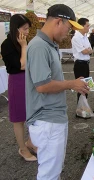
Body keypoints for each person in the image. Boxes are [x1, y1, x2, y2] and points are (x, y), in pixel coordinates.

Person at [26, 4, 89, 179]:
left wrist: (72, 83)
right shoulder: (39, 46)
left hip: (53, 118)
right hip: (47, 119)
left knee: (54, 169)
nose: (68, 34)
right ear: (58, 22)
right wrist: (71, 84)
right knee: (49, 174)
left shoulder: (49, 45)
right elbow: (42, 85)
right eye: (68, 28)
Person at [1, 14, 37, 161]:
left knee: (31, 114)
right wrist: (24, 46)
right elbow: (21, 65)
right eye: (25, 28)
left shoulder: (23, 40)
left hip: (28, 80)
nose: (27, 32)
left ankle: (30, 142)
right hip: (17, 81)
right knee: (19, 118)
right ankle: (22, 149)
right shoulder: (7, 44)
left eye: (28, 28)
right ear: (16, 28)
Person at [72, 18, 92, 103]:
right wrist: (87, 50)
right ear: (81, 26)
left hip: (85, 64)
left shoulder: (85, 37)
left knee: (86, 86)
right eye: (87, 26)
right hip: (80, 65)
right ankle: (80, 110)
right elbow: (84, 51)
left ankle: (84, 108)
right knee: (81, 87)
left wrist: (87, 50)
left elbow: (90, 50)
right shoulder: (76, 38)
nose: (88, 28)